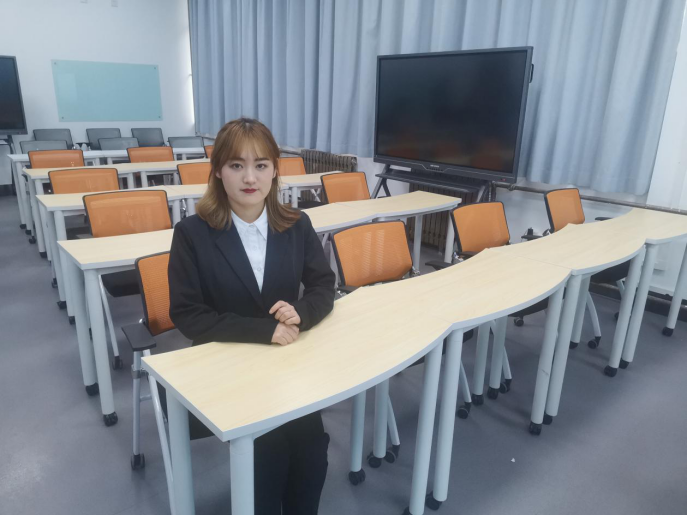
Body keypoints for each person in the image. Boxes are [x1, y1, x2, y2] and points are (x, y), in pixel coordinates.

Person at [167, 117, 335, 514]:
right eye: (236, 165)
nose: (249, 177)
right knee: (269, 451)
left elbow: (323, 286)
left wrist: (301, 313)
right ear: (218, 171)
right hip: (226, 364)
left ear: (275, 170)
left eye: (260, 165)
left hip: (286, 363)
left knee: (312, 448)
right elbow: (188, 315)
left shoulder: (296, 224)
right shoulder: (192, 233)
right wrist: (264, 331)